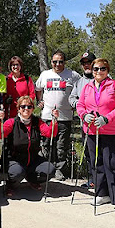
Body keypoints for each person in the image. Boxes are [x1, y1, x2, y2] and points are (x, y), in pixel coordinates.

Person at [76, 58, 115, 217]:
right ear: (92, 71)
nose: (99, 72)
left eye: (102, 69)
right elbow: (80, 105)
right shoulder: (87, 86)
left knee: (112, 164)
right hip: (91, 130)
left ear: (107, 70)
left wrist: (107, 118)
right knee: (96, 164)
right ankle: (102, 193)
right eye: (96, 69)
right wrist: (84, 115)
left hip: (110, 130)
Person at [0, 96, 58, 196]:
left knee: (50, 169)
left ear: (33, 108)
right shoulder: (12, 122)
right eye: (23, 106)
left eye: (29, 107)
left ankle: (32, 180)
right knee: (17, 172)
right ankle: (11, 184)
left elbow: (50, 133)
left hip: (32, 159)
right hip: (15, 159)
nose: (26, 109)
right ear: (18, 108)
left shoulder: (37, 121)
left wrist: (54, 121)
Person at [35, 49, 81, 180]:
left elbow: (83, 88)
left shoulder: (73, 75)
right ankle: (46, 168)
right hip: (47, 117)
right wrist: (40, 101)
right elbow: (37, 89)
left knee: (61, 146)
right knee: (46, 144)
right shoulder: (45, 74)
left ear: (64, 62)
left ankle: (59, 169)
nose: (57, 64)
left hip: (65, 117)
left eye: (60, 61)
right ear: (51, 62)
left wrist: (76, 104)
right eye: (55, 62)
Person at [69, 52, 96, 188]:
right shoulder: (79, 82)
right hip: (85, 124)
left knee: (103, 154)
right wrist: (80, 106)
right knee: (88, 153)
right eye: (84, 63)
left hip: (102, 126)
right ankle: (92, 180)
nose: (87, 65)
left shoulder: (104, 78)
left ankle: (105, 182)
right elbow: (72, 98)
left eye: (89, 62)